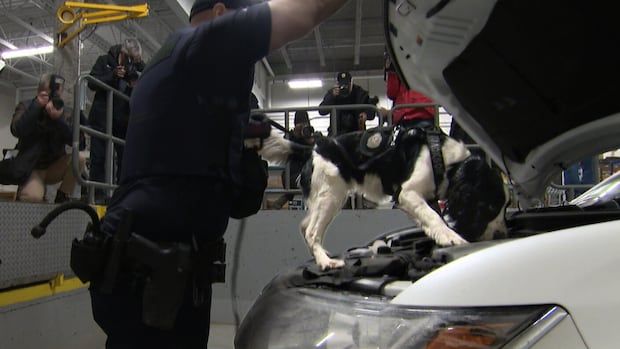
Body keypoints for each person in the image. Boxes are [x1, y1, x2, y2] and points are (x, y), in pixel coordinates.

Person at [88, 0, 351, 348]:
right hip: (155, 276)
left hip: (154, 272)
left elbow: (235, 190)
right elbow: (307, 11)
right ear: (221, 14)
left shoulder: (169, 66)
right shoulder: (206, 42)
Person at [7, 74, 85, 203]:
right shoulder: (27, 106)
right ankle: (26, 189)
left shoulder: (64, 113)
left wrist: (58, 120)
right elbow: (17, 130)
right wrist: (37, 105)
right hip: (33, 167)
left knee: (80, 158)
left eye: (58, 94)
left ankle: (62, 195)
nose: (56, 98)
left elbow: (79, 142)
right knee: (32, 198)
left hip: (54, 166)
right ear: (40, 91)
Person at [87, 38, 145, 203]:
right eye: (130, 59)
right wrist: (112, 75)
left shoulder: (136, 65)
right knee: (99, 157)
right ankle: (97, 195)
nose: (132, 63)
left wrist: (137, 75)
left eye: (135, 60)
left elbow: (147, 75)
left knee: (125, 158)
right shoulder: (104, 61)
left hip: (123, 119)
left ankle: (121, 194)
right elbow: (92, 82)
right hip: (102, 117)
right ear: (123, 54)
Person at [268, 110, 315, 209]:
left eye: (304, 124)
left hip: (311, 171)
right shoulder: (290, 136)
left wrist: (311, 141)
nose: (302, 127)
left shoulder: (313, 136)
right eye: (299, 124)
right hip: (294, 174)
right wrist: (295, 136)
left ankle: (280, 202)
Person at [319, 71, 378, 136]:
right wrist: (331, 97)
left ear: (351, 82)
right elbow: (322, 111)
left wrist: (365, 115)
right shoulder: (332, 93)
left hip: (356, 132)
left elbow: (371, 111)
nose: (344, 88)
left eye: (347, 85)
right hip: (337, 132)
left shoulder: (360, 93)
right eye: (342, 85)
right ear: (338, 84)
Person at [384, 54, 436, 129]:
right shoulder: (427, 61)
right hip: (422, 112)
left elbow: (391, 94)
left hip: (408, 114)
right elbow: (391, 93)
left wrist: (391, 71)